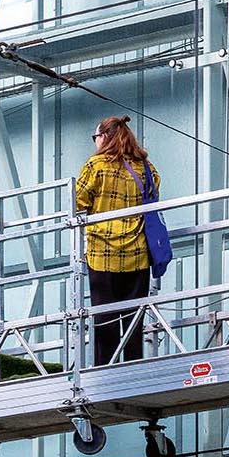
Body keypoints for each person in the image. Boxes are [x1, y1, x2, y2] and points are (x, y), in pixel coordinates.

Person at [75, 115, 160, 366]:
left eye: (96, 137)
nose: (95, 143)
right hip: (138, 253)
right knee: (134, 320)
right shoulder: (146, 167)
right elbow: (154, 196)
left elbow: (77, 201)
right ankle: (133, 370)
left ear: (105, 137)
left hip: (102, 254)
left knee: (105, 320)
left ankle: (104, 372)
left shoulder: (96, 166)